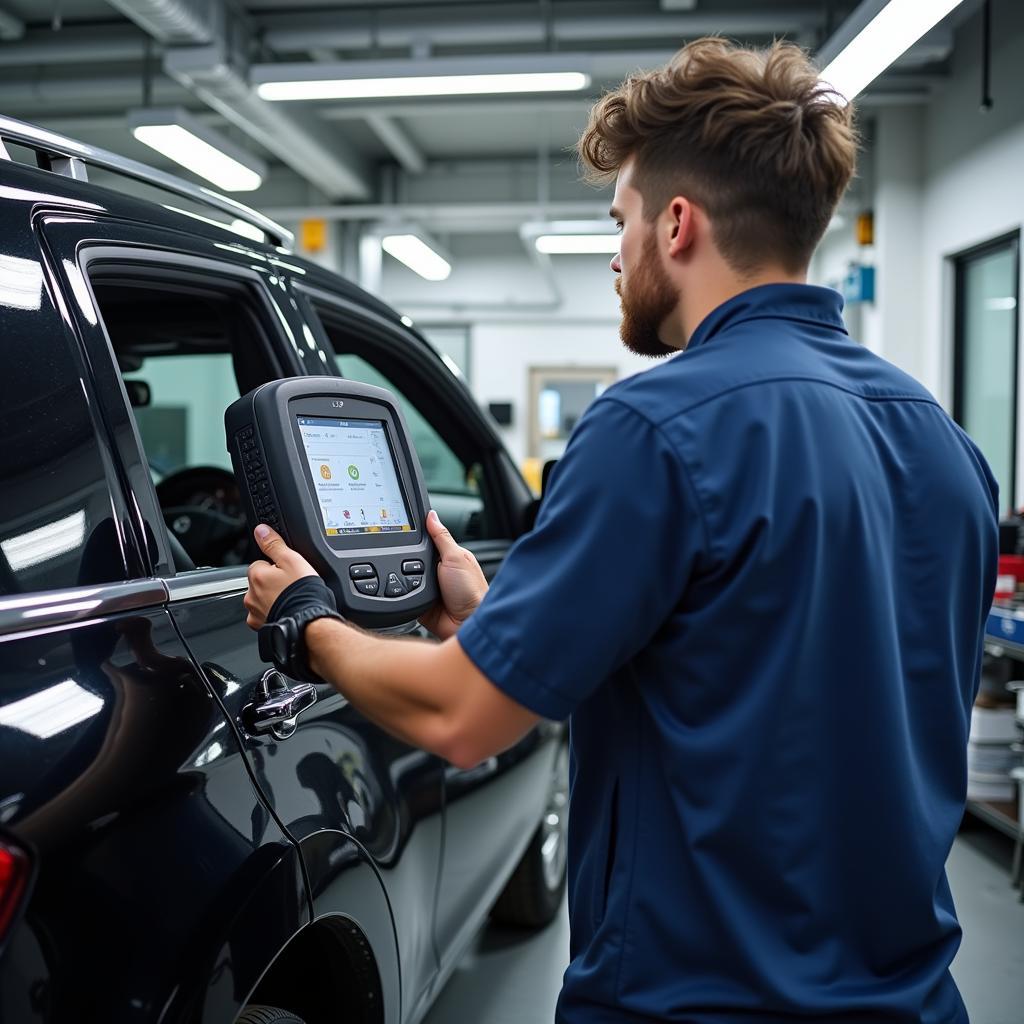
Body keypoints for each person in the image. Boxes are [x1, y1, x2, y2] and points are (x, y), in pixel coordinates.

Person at [245, 38, 998, 1024]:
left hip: (689, 1004)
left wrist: (305, 618)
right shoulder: (943, 444)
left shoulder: (655, 426)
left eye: (622, 219)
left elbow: (461, 721)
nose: (613, 253)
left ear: (676, 225)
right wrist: (489, 617)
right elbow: (755, 678)